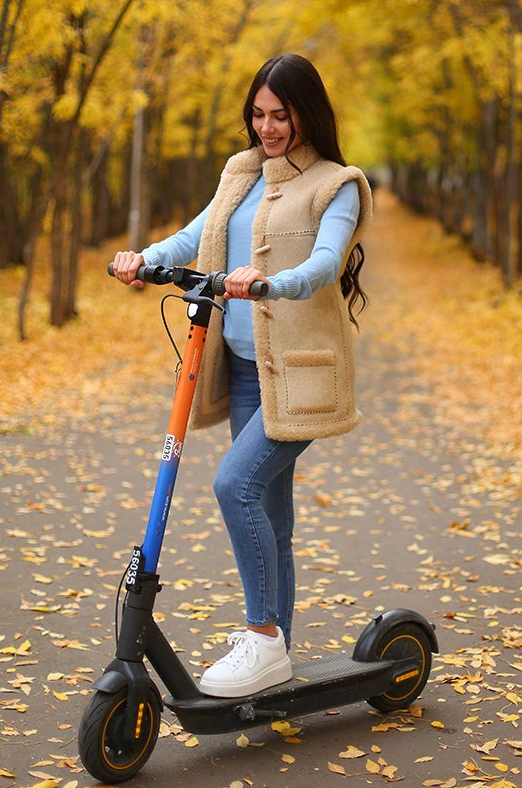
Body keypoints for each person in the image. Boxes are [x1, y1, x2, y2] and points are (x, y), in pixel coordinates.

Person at [111, 54, 373, 698]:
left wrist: (268, 283)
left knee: (235, 487)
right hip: (248, 378)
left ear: (307, 112)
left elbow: (322, 264)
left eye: (280, 115)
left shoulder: (336, 185)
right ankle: (274, 651)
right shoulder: (241, 173)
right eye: (258, 115)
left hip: (301, 378)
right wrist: (143, 259)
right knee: (272, 516)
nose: (268, 128)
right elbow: (198, 237)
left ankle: (261, 637)